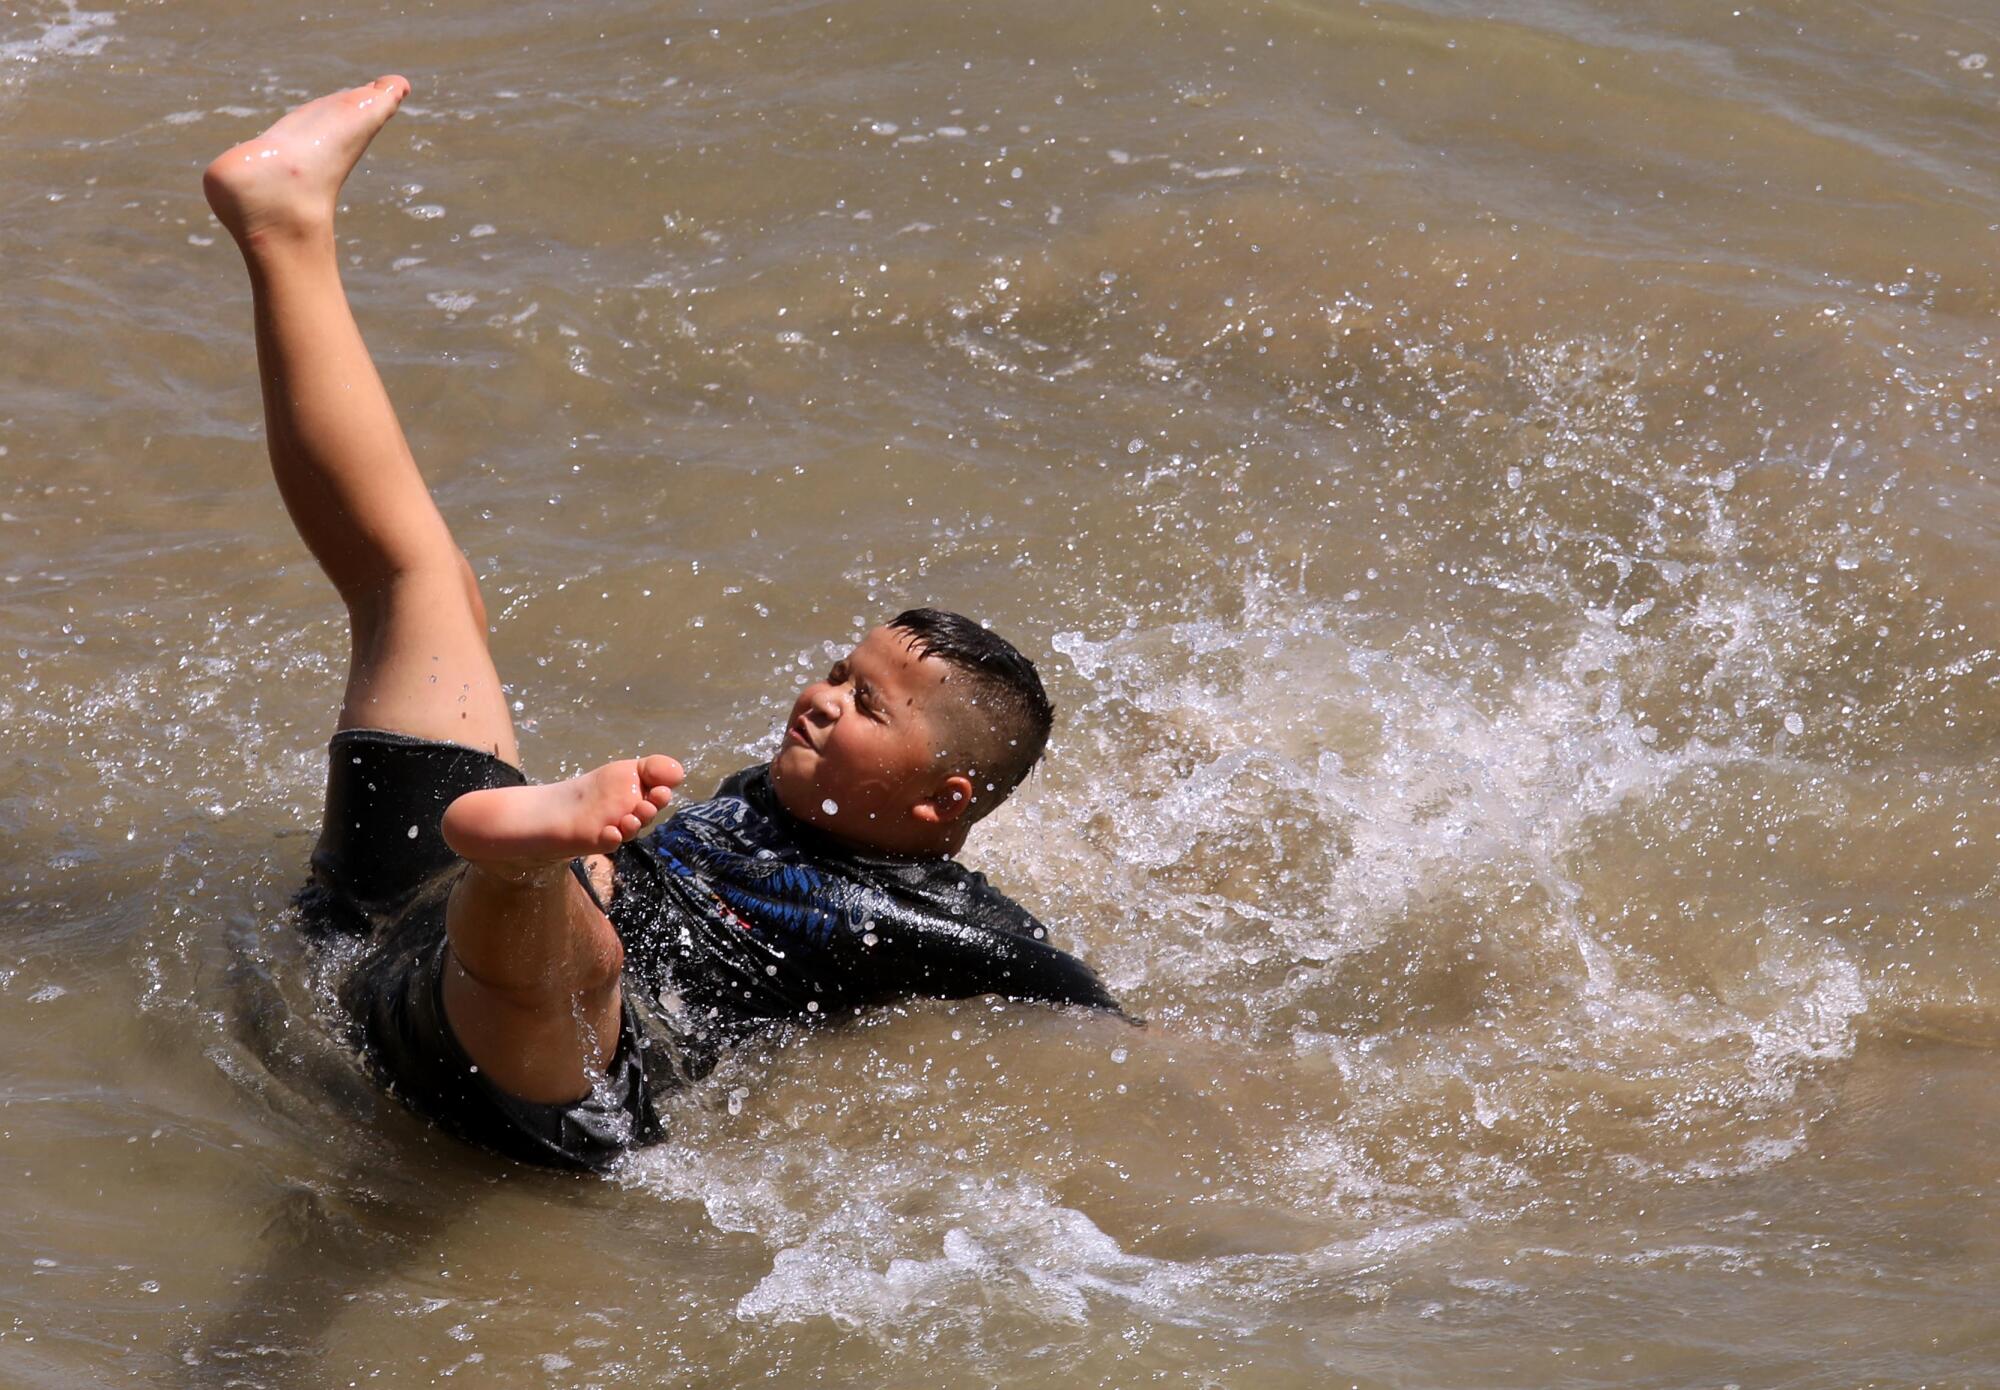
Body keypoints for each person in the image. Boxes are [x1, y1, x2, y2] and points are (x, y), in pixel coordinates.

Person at [202, 76, 1120, 1172]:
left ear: (942, 798)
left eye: (865, 704)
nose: (820, 697)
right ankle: (284, 221)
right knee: (423, 578)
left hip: (516, 1061)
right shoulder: (789, 797)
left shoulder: (945, 931)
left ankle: (530, 858)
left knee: (576, 959)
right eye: (838, 670)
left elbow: (1098, 1038)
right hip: (404, 929)